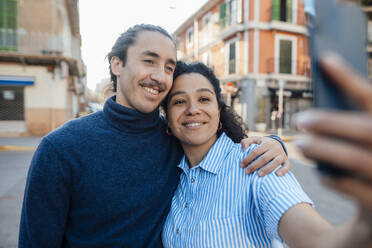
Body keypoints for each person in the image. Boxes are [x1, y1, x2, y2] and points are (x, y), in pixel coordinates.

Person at [18, 24, 289, 248]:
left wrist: (274, 145)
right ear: (117, 64)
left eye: (169, 67)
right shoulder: (61, 148)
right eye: (149, 61)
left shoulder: (176, 137)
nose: (160, 76)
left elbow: (222, 147)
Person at [161, 61, 372, 248]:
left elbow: (317, 239)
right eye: (179, 101)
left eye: (204, 99)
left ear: (219, 111)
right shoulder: (172, 174)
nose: (192, 109)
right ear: (168, 119)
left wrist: (366, 225)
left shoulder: (256, 161)